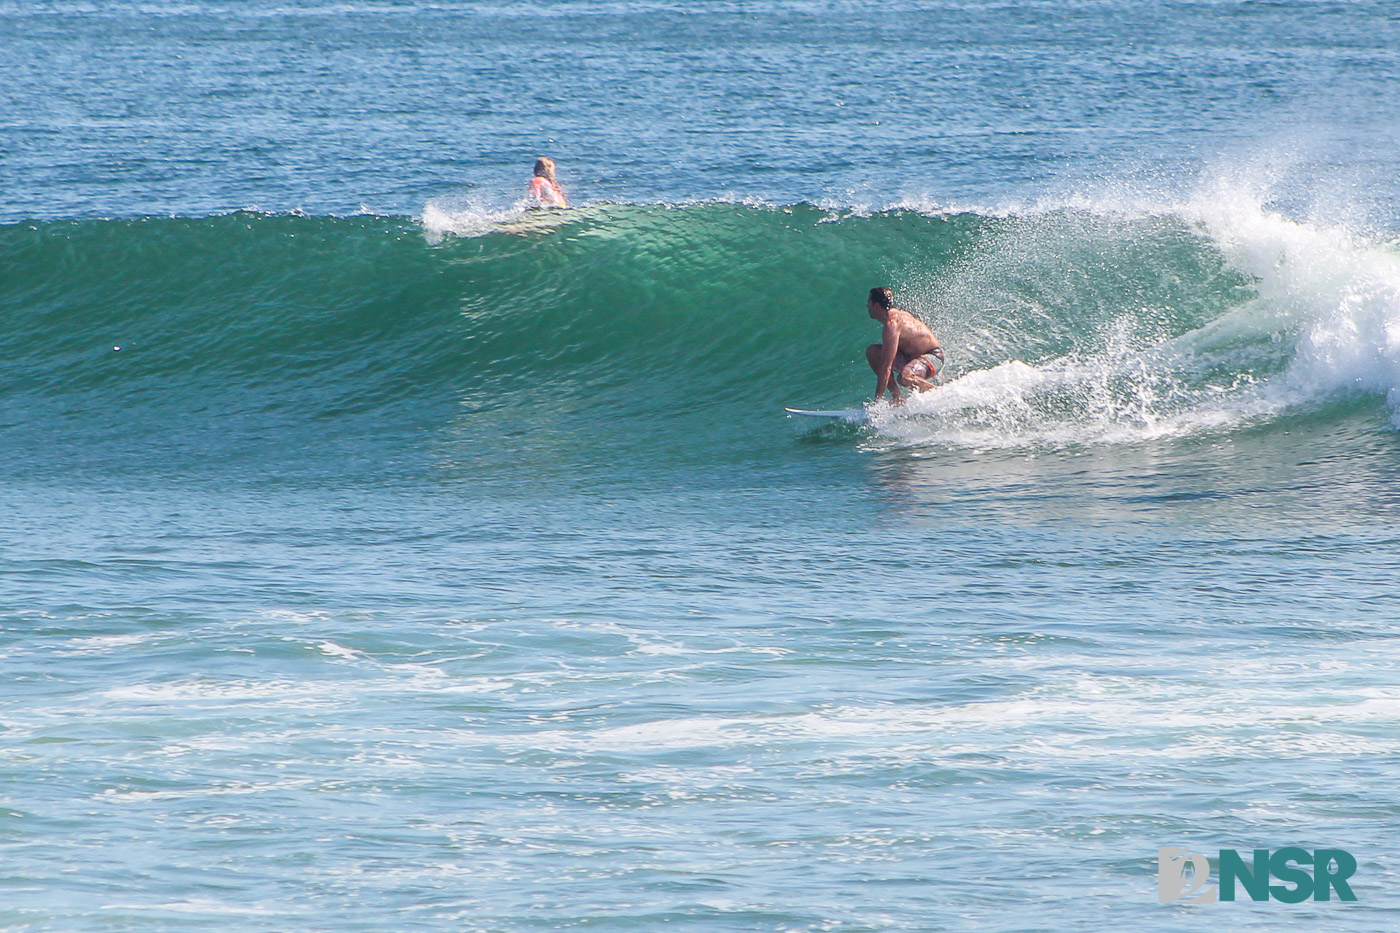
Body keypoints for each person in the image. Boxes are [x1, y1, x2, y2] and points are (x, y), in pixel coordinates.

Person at [864, 286, 944, 404]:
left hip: (933, 357)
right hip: (911, 357)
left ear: (876, 306)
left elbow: (886, 367)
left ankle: (942, 394)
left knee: (905, 377)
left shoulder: (892, 324)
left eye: (869, 302)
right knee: (872, 352)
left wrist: (877, 402)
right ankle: (898, 398)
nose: (867, 306)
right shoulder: (891, 319)